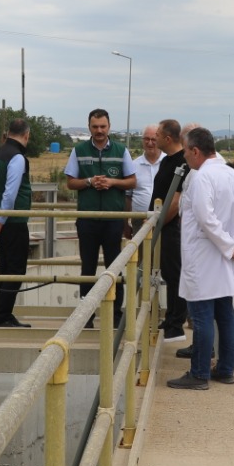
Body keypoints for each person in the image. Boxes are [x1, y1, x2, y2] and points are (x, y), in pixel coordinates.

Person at [167, 126, 234, 390]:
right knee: (225, 314)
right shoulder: (233, 174)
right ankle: (225, 369)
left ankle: (199, 373)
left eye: (185, 151)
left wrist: (230, 246)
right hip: (225, 256)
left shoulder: (201, 177)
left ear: (195, 151)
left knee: (203, 316)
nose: (184, 157)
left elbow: (205, 218)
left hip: (203, 256)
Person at [64, 108, 136, 325]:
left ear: (109, 127)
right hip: (87, 219)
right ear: (89, 127)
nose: (99, 130)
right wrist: (89, 182)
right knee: (88, 268)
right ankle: (85, 316)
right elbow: (70, 182)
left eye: (103, 126)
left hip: (113, 219)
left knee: (114, 268)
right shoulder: (79, 150)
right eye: (95, 127)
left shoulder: (121, 150)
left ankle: (115, 315)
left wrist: (112, 182)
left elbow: (132, 181)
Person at [0, 118, 32, 328]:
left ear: (8, 132)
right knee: (15, 270)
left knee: (4, 268)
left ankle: (1, 315)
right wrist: (1, 220)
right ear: (26, 135)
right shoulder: (17, 157)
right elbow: (10, 193)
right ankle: (2, 316)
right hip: (14, 221)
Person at [149, 119, 189, 342]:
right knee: (168, 274)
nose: (154, 138)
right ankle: (171, 316)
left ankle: (176, 323)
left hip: (171, 228)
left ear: (167, 138)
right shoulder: (167, 161)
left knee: (175, 275)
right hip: (162, 226)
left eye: (157, 134)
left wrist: (158, 224)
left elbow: (176, 201)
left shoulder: (183, 161)